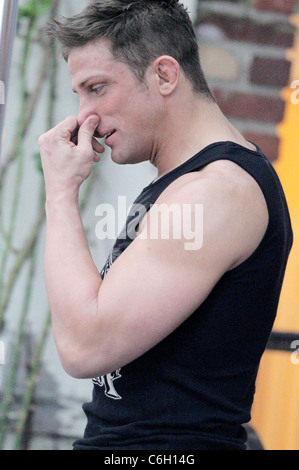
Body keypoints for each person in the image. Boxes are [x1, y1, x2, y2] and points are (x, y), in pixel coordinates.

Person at [38, 0, 293, 451]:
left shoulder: (216, 191)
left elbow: (84, 347)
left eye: (96, 88)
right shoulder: (184, 183)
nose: (84, 117)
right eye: (79, 94)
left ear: (164, 75)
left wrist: (60, 192)